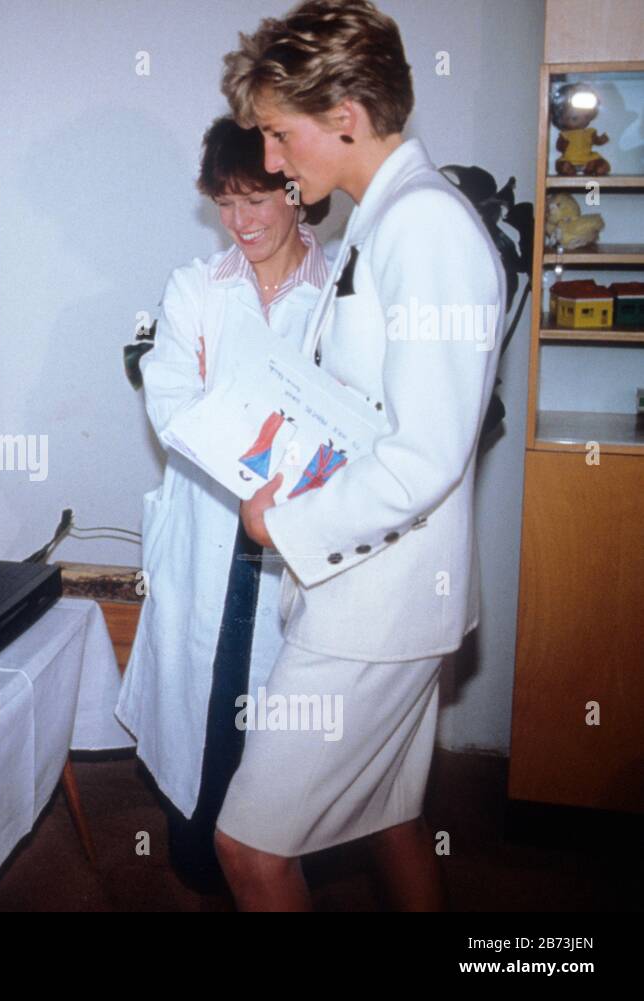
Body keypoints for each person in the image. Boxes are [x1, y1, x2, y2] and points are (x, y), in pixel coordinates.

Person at [213, 0, 504, 910]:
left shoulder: (423, 228)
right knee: (388, 814)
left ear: (344, 116)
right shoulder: (386, 218)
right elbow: (374, 409)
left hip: (376, 606)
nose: (268, 159)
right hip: (390, 589)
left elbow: (425, 456)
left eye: (276, 133)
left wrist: (282, 517)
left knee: (249, 848)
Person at [116, 116, 332, 890]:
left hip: (303, 527)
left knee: (285, 710)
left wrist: (245, 427)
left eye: (257, 200)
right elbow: (174, 407)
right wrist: (263, 443)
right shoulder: (194, 289)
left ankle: (278, 862)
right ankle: (206, 860)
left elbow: (347, 415)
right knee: (208, 699)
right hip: (213, 526)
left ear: (295, 190)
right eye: (225, 203)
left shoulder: (340, 290)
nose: (240, 223)